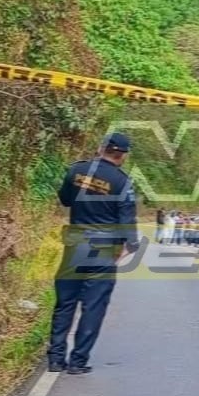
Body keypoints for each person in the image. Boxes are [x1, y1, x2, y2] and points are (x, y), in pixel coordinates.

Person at [48, 133, 139, 375]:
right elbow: (127, 220)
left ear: (101, 148)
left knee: (65, 302)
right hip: (103, 249)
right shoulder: (122, 182)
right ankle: (78, 362)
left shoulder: (76, 170)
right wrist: (130, 245)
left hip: (75, 244)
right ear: (122, 155)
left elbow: (65, 200)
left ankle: (55, 359)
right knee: (93, 306)